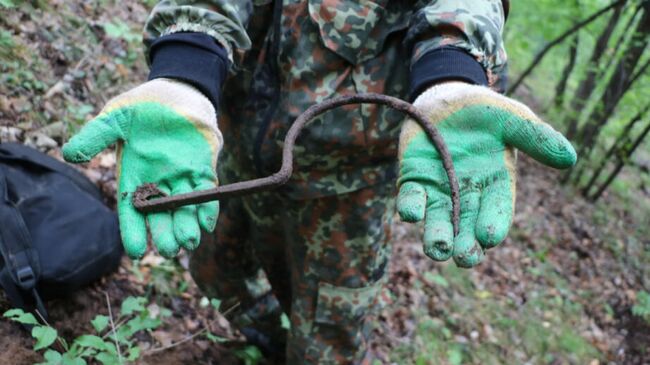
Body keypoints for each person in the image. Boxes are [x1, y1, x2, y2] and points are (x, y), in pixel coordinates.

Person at [62, 0, 577, 363]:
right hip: (233, 161)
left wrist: (452, 75)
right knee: (218, 275)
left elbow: (462, 9)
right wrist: (185, 72)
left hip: (346, 202)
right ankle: (269, 345)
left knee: (329, 344)